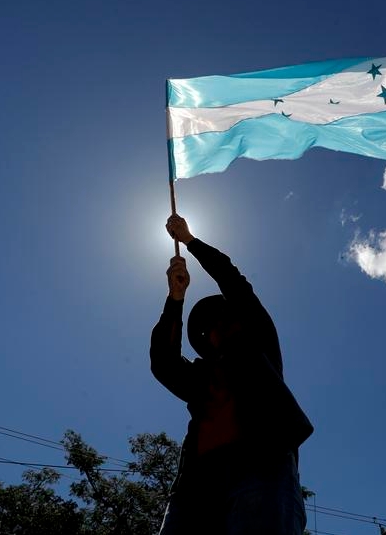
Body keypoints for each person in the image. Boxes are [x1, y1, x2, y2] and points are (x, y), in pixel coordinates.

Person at [151, 214, 313, 535]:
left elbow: (233, 281)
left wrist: (190, 240)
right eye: (205, 327)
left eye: (221, 315)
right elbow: (164, 362)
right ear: (202, 341)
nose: (215, 326)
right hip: (197, 484)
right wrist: (175, 298)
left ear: (236, 316)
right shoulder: (201, 377)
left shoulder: (260, 345)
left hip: (262, 466)